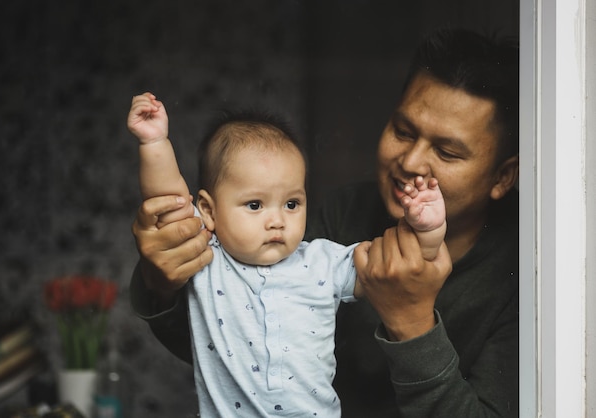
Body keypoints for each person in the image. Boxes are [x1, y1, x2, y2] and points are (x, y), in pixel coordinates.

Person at [130, 27, 519, 417]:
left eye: (448, 152)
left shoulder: (527, 276)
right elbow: (238, 343)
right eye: (403, 131)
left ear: (503, 177)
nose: (412, 162)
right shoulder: (345, 212)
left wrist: (413, 323)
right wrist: (162, 283)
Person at [127, 93, 447, 416]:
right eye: (255, 205)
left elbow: (397, 266)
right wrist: (154, 142)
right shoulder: (207, 259)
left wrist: (427, 227)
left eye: (292, 204)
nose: (277, 220)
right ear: (209, 210)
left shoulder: (323, 262)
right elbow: (170, 203)